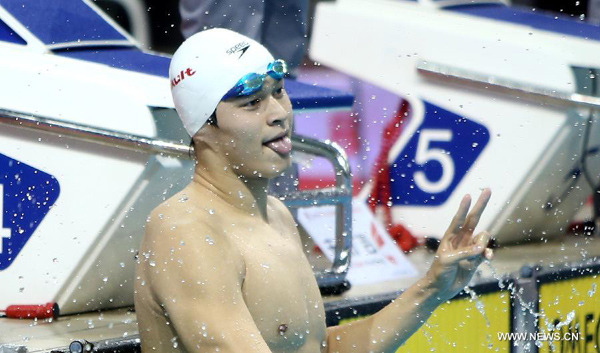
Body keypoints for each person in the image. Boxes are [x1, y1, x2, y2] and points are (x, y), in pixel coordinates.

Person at [134, 28, 493, 353]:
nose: (279, 113)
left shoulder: (276, 216)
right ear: (202, 128)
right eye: (252, 103)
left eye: (278, 92)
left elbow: (320, 350)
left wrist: (432, 287)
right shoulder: (185, 232)